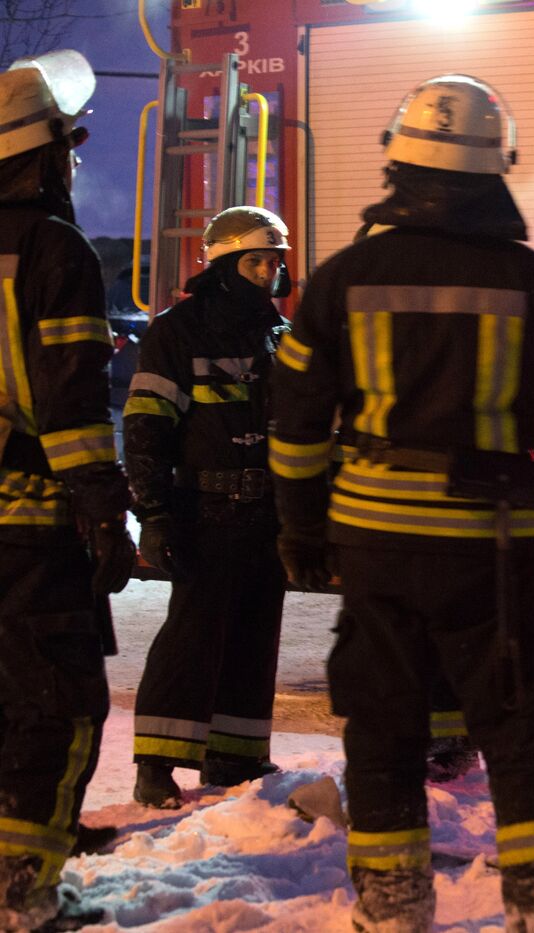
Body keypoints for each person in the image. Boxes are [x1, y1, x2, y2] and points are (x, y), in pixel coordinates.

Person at [270, 75, 534, 932]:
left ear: (396, 163)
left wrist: (301, 524)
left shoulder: (341, 279)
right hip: (489, 549)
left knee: (383, 729)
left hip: (376, 544)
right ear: (494, 169)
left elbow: (296, 423)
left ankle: (392, 910)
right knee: (520, 728)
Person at [0, 50, 134, 929]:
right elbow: (73, 407)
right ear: (43, 156)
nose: (73, 167)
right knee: (57, 708)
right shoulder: (55, 250)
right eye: (68, 151)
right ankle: (22, 896)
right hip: (28, 526)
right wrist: (104, 515)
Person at [124, 206, 292, 808]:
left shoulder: (277, 335)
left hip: (265, 514)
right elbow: (145, 430)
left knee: (254, 636)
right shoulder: (178, 332)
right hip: (205, 510)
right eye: (255, 260)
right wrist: (155, 514)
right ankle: (157, 764)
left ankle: (237, 758)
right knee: (191, 639)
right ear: (223, 265)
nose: (268, 272)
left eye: (275, 262)